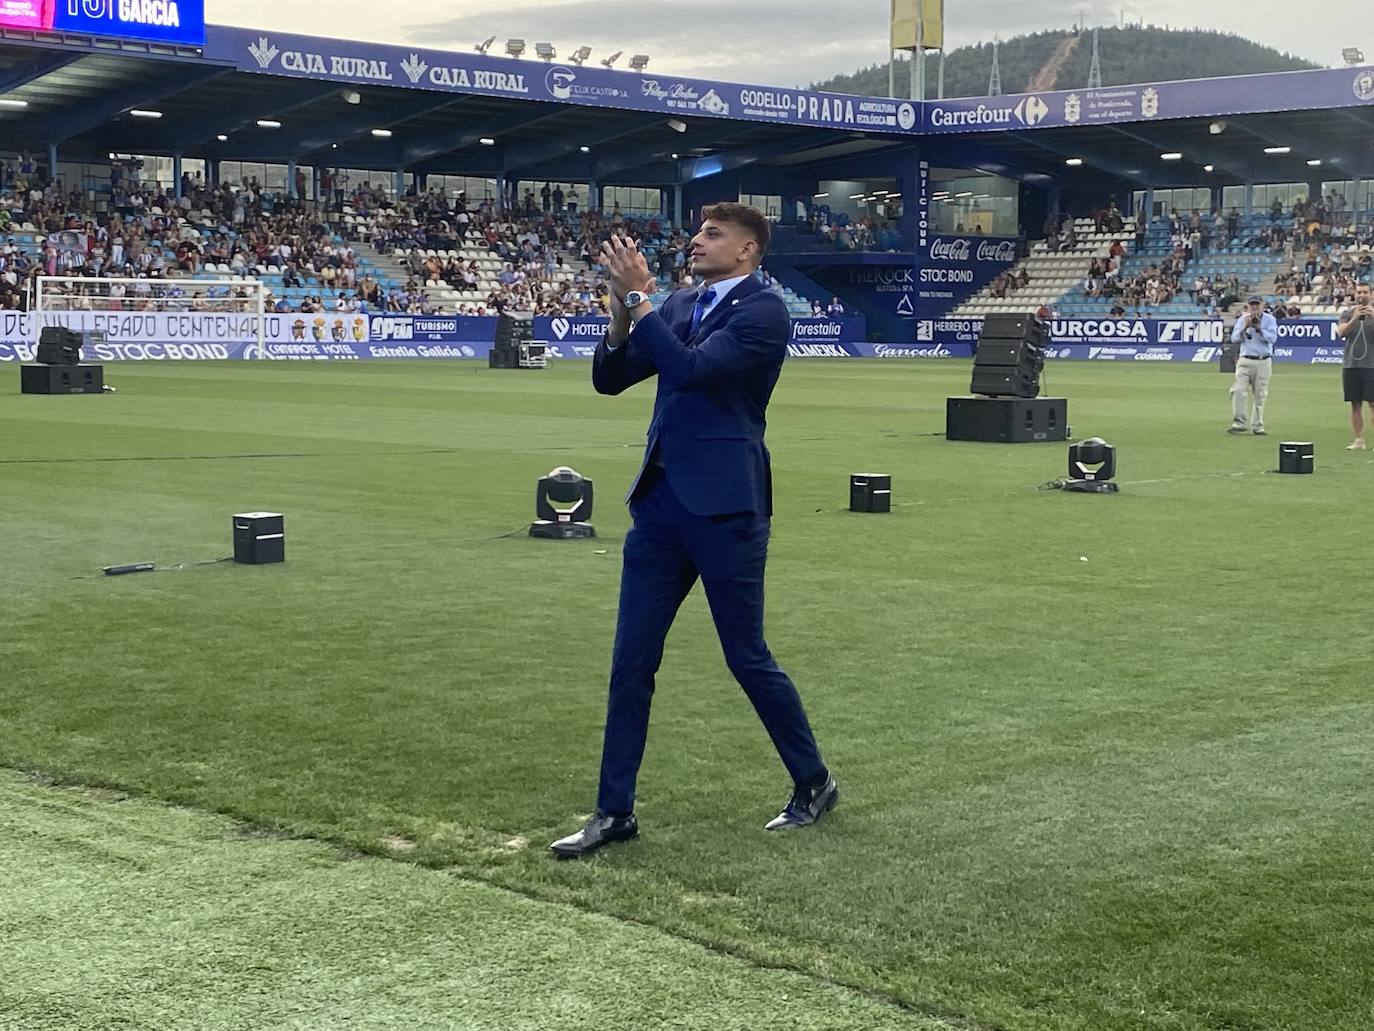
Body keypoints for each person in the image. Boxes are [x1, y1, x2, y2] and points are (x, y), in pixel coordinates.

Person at [550, 203, 835, 859]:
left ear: (747, 251)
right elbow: (609, 378)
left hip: (727, 508)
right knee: (630, 663)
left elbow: (690, 371)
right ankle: (613, 811)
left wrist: (643, 300)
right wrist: (625, 309)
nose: (696, 241)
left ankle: (814, 780)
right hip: (659, 505)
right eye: (698, 231)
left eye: (712, 234)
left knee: (746, 656)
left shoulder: (764, 311)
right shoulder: (680, 303)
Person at [1228, 294, 1278, 435]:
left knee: (1260, 395)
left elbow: (1272, 338)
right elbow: (1234, 339)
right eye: (1252, 304)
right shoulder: (1243, 319)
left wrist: (1259, 328)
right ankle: (1239, 422)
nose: (1254, 307)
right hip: (1245, 359)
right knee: (1238, 390)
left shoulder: (1270, 320)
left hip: (1263, 360)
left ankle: (1258, 425)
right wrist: (1245, 327)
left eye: (1257, 304)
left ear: (1262, 305)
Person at [1335, 281, 1374, 450]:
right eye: (1359, 292)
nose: (1362, 295)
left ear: (1371, 294)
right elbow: (1341, 332)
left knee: (1373, 403)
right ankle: (1359, 440)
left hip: (1371, 365)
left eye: (1365, 292)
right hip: (1351, 364)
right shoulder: (1347, 313)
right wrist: (1354, 318)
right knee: (1355, 403)